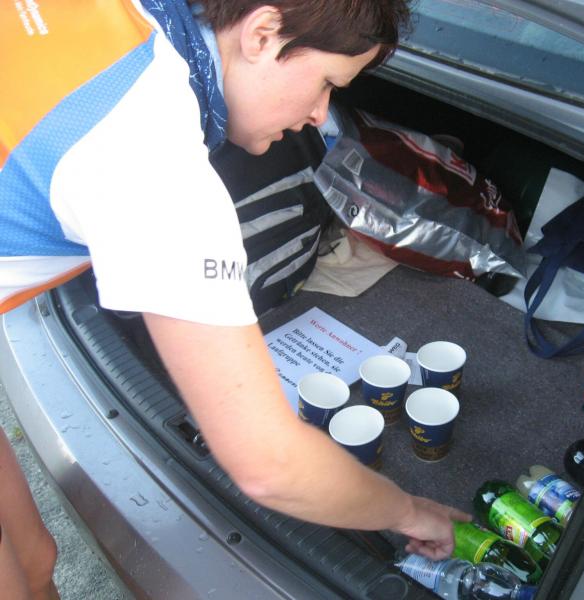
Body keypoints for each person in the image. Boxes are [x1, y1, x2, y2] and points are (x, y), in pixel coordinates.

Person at [0, 1, 470, 597]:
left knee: (31, 558)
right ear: (262, 33)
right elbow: (269, 464)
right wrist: (411, 512)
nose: (319, 114)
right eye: (327, 83)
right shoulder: (151, 159)